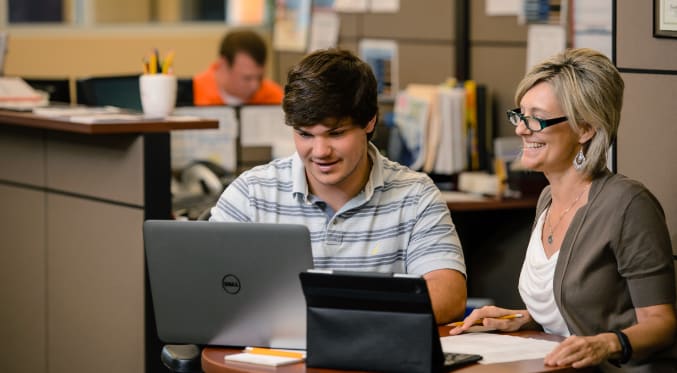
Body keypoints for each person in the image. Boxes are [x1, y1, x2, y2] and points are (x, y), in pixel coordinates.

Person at [450, 48, 676, 371]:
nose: (521, 129)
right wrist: (522, 319)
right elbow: (572, 313)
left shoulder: (628, 204)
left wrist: (607, 343)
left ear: (585, 129)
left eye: (536, 118)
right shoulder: (547, 199)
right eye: (520, 114)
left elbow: (662, 323)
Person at [209, 49, 467, 324]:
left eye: (336, 133)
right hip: (271, 359)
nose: (320, 151)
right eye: (305, 134)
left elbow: (449, 293)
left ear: (370, 121)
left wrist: (349, 322)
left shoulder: (415, 195)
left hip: (371, 354)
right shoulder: (252, 192)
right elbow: (206, 282)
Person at [193, 29, 283, 106]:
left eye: (260, 78)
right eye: (247, 78)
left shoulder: (275, 97)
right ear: (223, 65)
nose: (255, 86)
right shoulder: (192, 95)